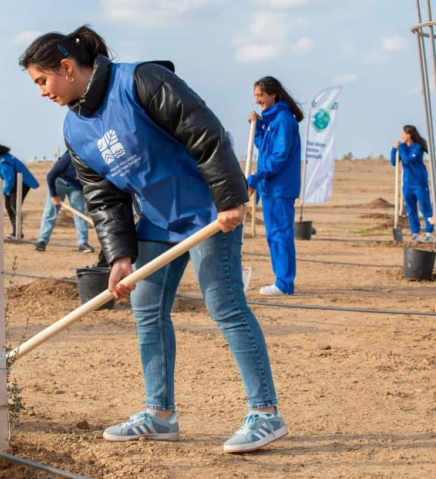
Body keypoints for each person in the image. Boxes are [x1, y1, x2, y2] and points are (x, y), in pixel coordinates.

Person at [20, 25, 286, 453]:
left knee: (226, 306)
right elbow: (104, 197)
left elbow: (204, 130)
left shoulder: (141, 80)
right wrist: (120, 255)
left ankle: (265, 413)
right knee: (147, 309)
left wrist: (230, 197)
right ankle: (160, 415)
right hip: (157, 222)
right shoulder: (75, 130)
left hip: (207, 213)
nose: (41, 92)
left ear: (66, 67)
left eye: (42, 80)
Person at [247, 77, 303, 296]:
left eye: (260, 95)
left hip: (280, 188)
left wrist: (254, 178)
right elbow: (265, 150)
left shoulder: (283, 120)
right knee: (274, 235)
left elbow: (279, 158)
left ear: (273, 94)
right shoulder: (272, 121)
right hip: (270, 187)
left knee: (280, 234)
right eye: (255, 96)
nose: (257, 100)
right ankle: (281, 279)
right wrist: (258, 127)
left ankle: (284, 283)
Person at [34, 150, 95, 253]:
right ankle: (42, 241)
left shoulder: (93, 164)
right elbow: (50, 176)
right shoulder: (69, 158)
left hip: (76, 187)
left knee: (80, 212)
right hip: (59, 182)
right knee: (51, 212)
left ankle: (83, 243)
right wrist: (53, 195)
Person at [0, 139, 39, 240]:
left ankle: (18, 233)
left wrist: (3, 192)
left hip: (21, 183)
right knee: (8, 206)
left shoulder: (4, 161)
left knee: (14, 206)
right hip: (13, 183)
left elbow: (10, 180)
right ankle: (15, 232)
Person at [391, 125, 433, 242]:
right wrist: (394, 149)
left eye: (403, 133)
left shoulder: (417, 147)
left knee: (425, 208)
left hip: (420, 183)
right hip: (407, 184)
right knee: (411, 209)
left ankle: (429, 232)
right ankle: (415, 233)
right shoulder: (402, 147)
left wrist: (401, 149)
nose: (401, 135)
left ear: (409, 135)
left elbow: (407, 159)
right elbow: (394, 162)